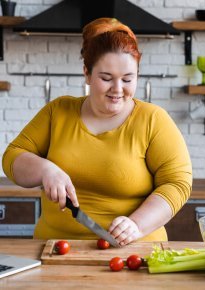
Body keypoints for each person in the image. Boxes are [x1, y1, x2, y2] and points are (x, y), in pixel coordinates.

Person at [2, 18, 192, 246]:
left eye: (128, 79)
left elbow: (177, 184)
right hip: (53, 249)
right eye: (106, 78)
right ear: (87, 73)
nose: (118, 89)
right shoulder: (58, 112)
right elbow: (12, 156)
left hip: (134, 251)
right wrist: (45, 169)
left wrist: (137, 225)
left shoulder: (153, 120)